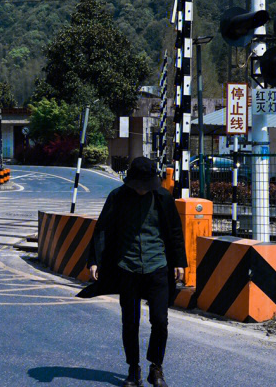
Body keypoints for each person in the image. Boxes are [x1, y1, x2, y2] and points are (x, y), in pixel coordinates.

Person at [77, 156, 186, 387]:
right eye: (139, 186)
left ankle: (156, 368)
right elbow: (102, 229)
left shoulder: (163, 198)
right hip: (127, 267)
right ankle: (133, 369)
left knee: (160, 320)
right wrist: (94, 260)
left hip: (158, 265)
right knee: (130, 322)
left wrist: (179, 262)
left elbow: (175, 231)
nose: (142, 190)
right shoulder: (117, 197)